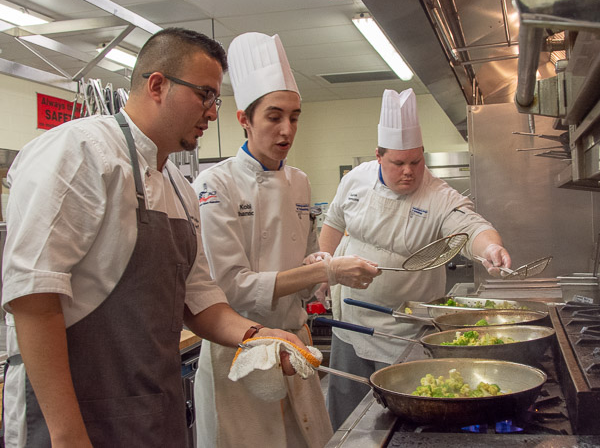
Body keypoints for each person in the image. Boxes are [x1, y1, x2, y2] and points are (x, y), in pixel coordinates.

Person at [1, 27, 308, 448]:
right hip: (79, 415)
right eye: (204, 94)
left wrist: (259, 335)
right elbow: (33, 297)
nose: (212, 112)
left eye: (216, 99)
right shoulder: (81, 152)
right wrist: (67, 435)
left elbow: (200, 298)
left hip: (150, 410)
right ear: (158, 85)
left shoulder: (178, 185)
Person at [191, 32, 380, 448]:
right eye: (274, 117)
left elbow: (304, 271)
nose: (286, 129)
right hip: (239, 348)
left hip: (294, 345)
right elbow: (231, 285)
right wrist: (325, 267)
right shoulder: (215, 183)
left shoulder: (299, 182)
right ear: (244, 118)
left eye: (294, 117)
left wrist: (319, 271)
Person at [319, 88, 512, 430]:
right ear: (378, 156)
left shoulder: (438, 195)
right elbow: (333, 225)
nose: (408, 171)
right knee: (349, 421)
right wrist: (323, 268)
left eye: (416, 161)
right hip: (351, 322)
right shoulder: (355, 181)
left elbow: (471, 228)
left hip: (404, 334)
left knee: (399, 422)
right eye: (398, 163)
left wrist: (491, 248)